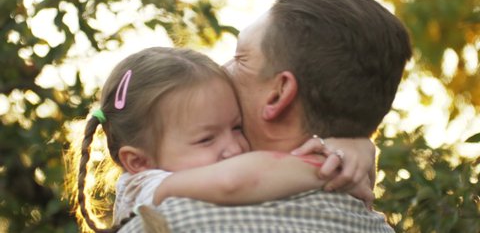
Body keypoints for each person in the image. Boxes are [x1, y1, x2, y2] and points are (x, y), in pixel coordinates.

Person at [118, 0, 412, 232]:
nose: (222, 68)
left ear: (278, 94)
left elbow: (233, 181)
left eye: (240, 57)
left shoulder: (173, 220)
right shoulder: (374, 223)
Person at [75, 47, 370, 233]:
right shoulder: (144, 186)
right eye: (206, 139)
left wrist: (355, 148)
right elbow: (235, 181)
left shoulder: (183, 168)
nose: (233, 148)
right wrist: (326, 169)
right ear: (138, 161)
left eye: (237, 127)